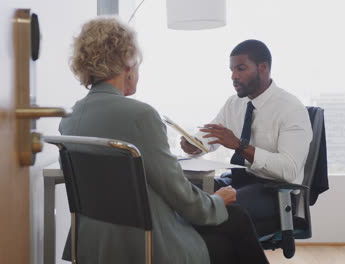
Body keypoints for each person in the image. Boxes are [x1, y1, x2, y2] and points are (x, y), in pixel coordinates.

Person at [59, 17, 269, 264]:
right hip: (147, 246)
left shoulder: (70, 119)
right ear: (127, 63)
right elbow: (179, 196)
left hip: (95, 246)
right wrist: (216, 201)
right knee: (235, 219)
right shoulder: (140, 116)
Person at [181, 39, 313, 232]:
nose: (233, 76)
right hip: (238, 181)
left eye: (241, 69)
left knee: (217, 209)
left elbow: (289, 170)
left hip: (274, 191)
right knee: (182, 192)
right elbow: (210, 136)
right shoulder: (234, 104)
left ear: (263, 68)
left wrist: (239, 146)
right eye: (231, 70)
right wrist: (194, 145)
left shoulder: (291, 109)